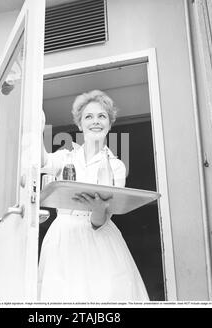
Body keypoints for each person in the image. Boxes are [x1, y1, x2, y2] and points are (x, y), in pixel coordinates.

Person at [38, 90, 149, 302]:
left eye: (102, 116)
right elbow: (41, 161)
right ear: (79, 125)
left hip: (100, 240)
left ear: (109, 123)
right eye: (88, 116)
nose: (95, 121)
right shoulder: (65, 156)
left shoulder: (116, 166)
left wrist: (98, 209)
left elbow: (101, 220)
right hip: (63, 239)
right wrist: (36, 129)